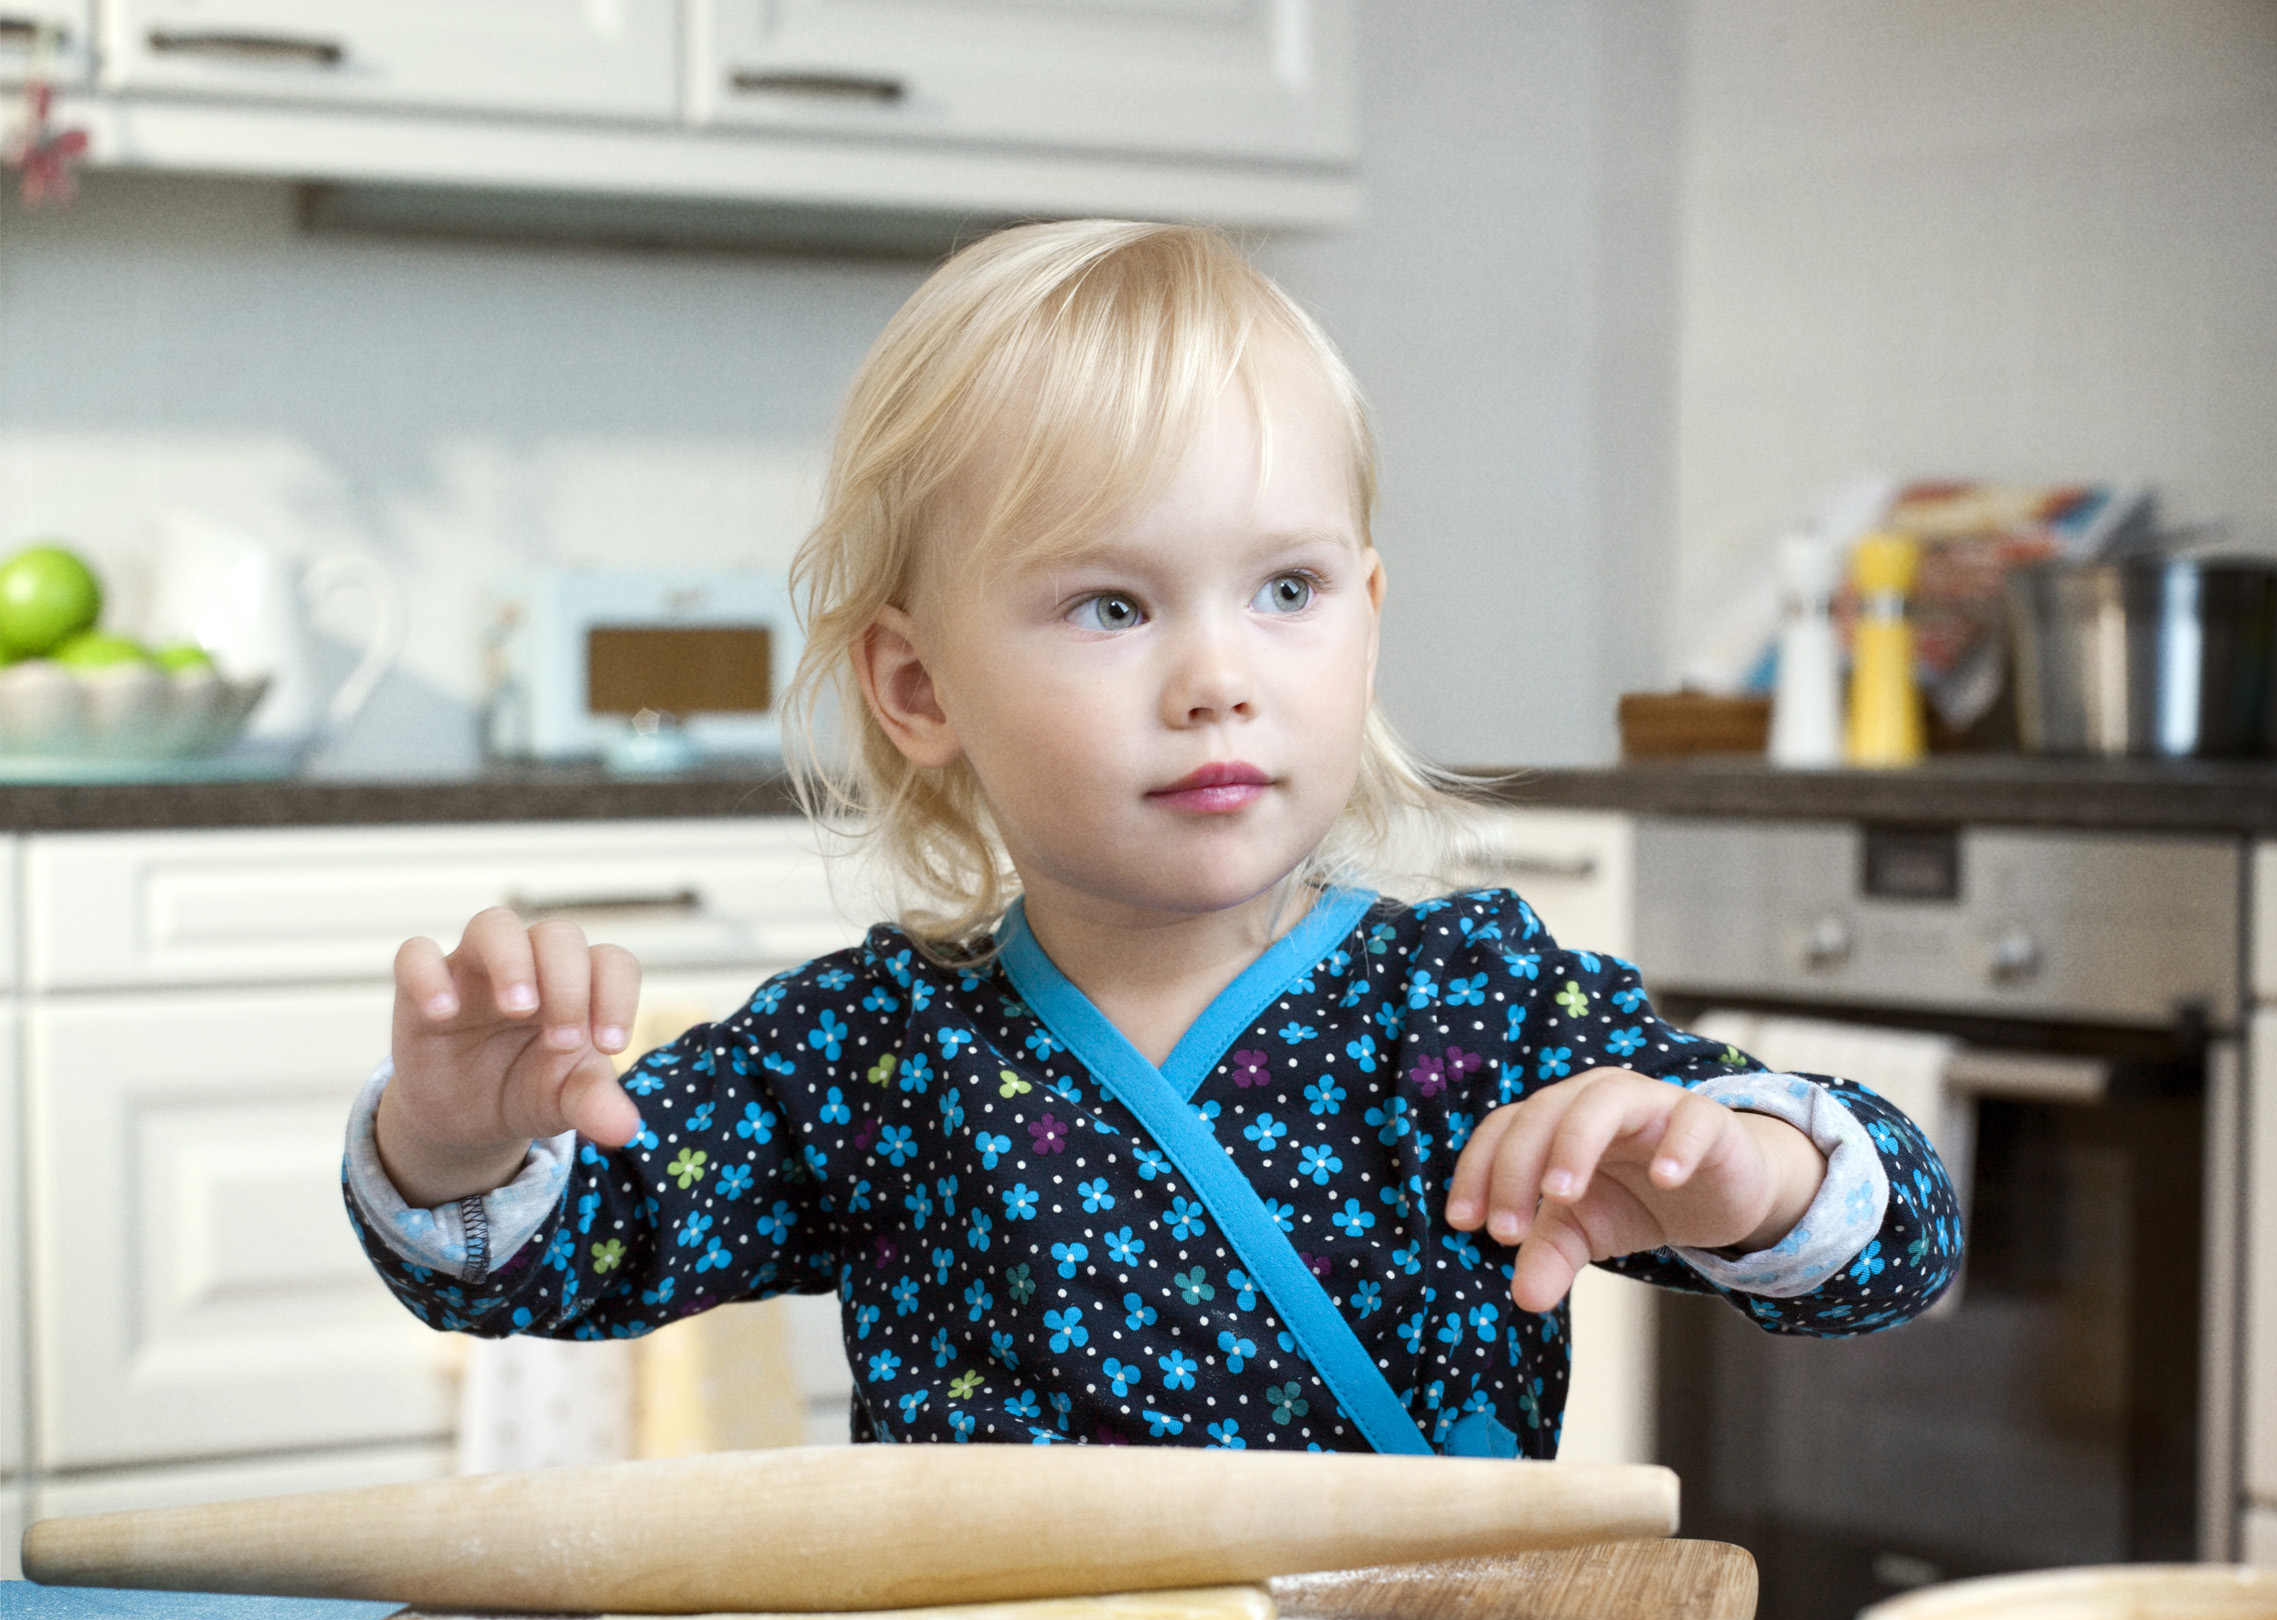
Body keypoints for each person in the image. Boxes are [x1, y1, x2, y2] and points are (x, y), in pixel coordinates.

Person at [344, 220, 1960, 1458]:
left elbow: (1895, 1248)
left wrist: (1748, 1173)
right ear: (917, 685)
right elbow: (557, 1261)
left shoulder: (1478, 1008)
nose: (1218, 679)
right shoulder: (872, 1055)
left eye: (1286, 591)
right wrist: (459, 1146)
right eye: (1112, 605)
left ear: (1368, 620)